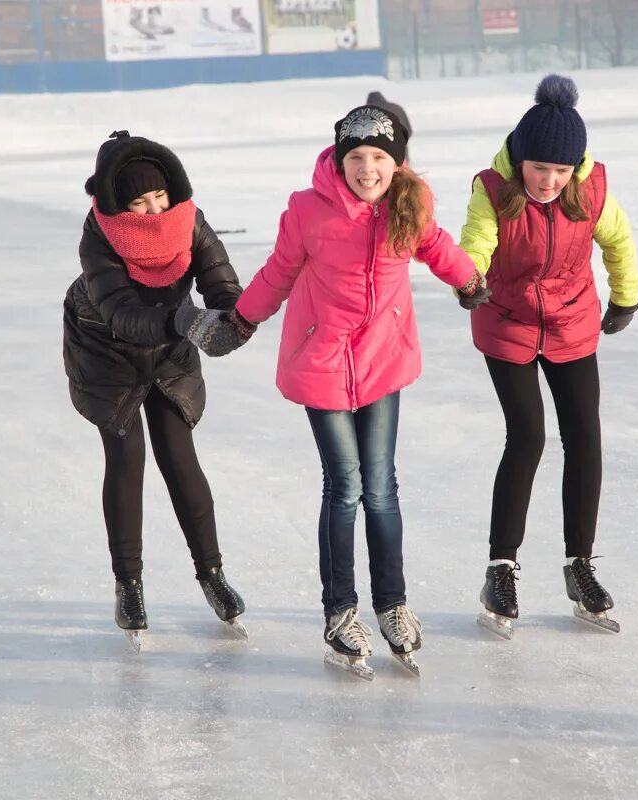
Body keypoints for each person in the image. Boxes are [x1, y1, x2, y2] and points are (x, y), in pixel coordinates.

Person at [231, 99, 490, 677]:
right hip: (321, 360)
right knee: (344, 485)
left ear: (397, 163)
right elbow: (278, 270)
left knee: (382, 488)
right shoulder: (307, 211)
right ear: (339, 160)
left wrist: (470, 279)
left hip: (382, 362)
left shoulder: (409, 204)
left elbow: (438, 246)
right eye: (356, 157)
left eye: (379, 157)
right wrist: (244, 318)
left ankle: (393, 604)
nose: (367, 168)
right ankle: (340, 610)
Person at [458, 75, 638, 637]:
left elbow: (619, 242)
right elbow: (476, 239)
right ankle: (501, 567)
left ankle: (580, 564)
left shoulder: (592, 191)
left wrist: (625, 297)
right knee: (529, 436)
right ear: (522, 161)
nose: (550, 181)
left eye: (561, 172)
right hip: (507, 323)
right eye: (541, 170)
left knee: (584, 434)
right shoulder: (493, 189)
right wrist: (470, 277)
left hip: (572, 323)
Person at [63, 130, 254, 649]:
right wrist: (187, 321)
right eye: (139, 202)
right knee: (126, 460)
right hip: (106, 349)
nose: (153, 211)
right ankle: (129, 585)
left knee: (180, 456)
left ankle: (211, 574)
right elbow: (123, 315)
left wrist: (235, 320)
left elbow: (221, 281)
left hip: (171, 341)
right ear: (116, 205)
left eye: (159, 197)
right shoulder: (98, 235)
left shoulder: (187, 218)